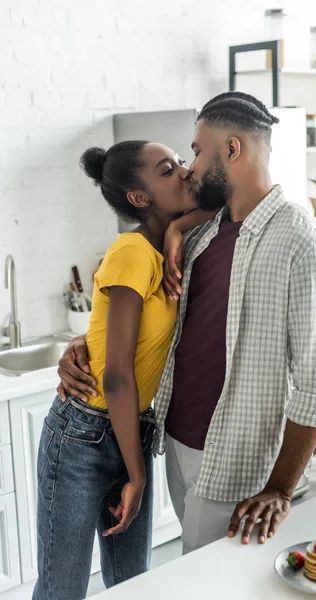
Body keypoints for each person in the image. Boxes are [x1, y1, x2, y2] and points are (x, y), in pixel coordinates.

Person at [57, 91, 316, 556]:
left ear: (231, 150)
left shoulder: (303, 243)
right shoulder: (200, 234)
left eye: (195, 150)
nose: (189, 166)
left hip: (239, 462)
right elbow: (152, 322)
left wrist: (281, 489)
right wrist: (81, 344)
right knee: (193, 574)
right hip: (173, 443)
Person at [33, 140, 215, 600]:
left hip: (132, 428)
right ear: (140, 198)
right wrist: (136, 475)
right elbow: (115, 375)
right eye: (167, 170)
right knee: (63, 591)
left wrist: (176, 230)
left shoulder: (165, 249)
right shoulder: (131, 252)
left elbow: (226, 202)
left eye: (179, 161)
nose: (184, 171)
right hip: (83, 436)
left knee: (133, 585)